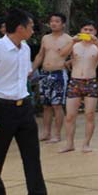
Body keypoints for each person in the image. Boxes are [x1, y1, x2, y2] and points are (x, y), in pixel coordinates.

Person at [0, 9, 58, 195]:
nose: (32, 30)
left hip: (24, 106)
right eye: (30, 27)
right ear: (19, 28)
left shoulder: (25, 48)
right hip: (0, 108)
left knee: (31, 155)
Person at [59, 21, 98, 154]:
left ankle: (86, 143)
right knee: (70, 116)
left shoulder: (96, 47)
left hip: (90, 82)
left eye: (91, 30)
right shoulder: (75, 45)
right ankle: (70, 144)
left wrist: (97, 43)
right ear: (81, 30)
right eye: (85, 29)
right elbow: (62, 54)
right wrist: (72, 41)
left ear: (95, 32)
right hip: (75, 81)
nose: (88, 32)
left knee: (90, 115)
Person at [32, 13, 74, 143]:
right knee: (46, 105)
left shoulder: (68, 39)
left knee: (57, 105)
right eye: (51, 21)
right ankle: (46, 132)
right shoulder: (45, 38)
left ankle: (57, 134)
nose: (53, 23)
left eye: (57, 21)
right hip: (45, 73)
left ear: (63, 24)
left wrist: (68, 63)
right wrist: (31, 70)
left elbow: (75, 56)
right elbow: (40, 55)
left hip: (59, 74)